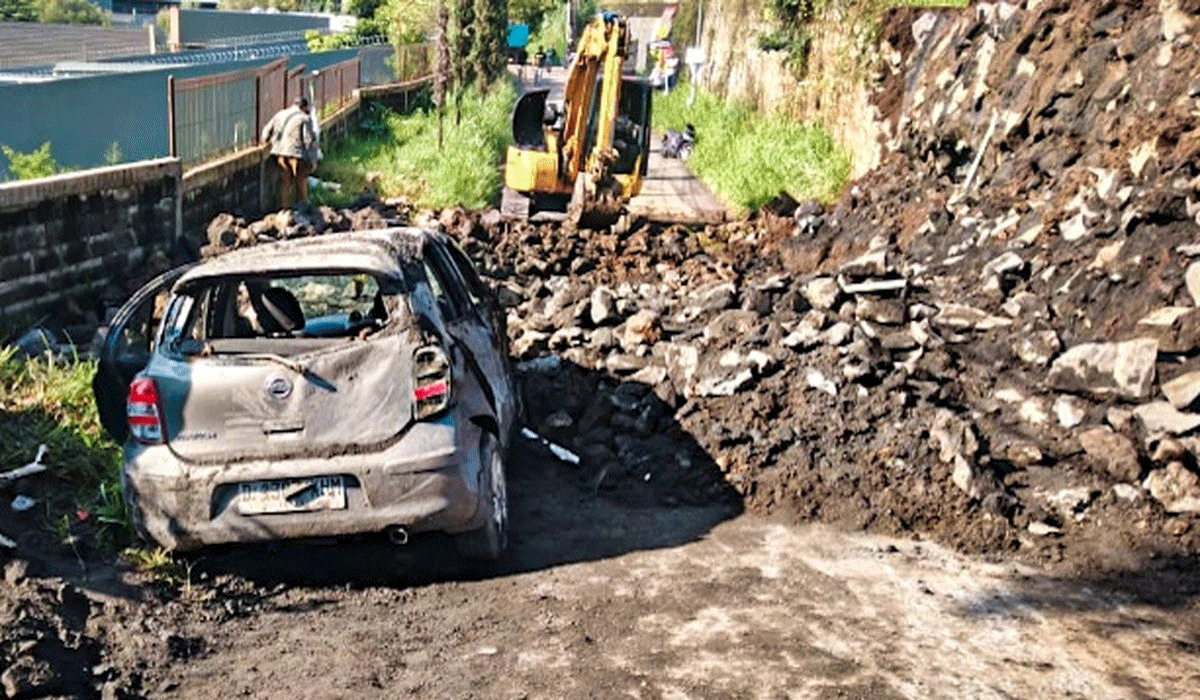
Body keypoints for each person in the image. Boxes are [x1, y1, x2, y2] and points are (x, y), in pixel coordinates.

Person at [261, 97, 318, 209]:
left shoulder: (280, 114)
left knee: (285, 184)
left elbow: (265, 133)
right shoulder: (304, 118)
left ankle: (284, 211)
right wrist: (312, 160)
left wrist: (267, 142)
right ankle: (303, 209)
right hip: (297, 154)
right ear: (304, 107)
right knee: (301, 183)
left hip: (279, 154)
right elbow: (309, 141)